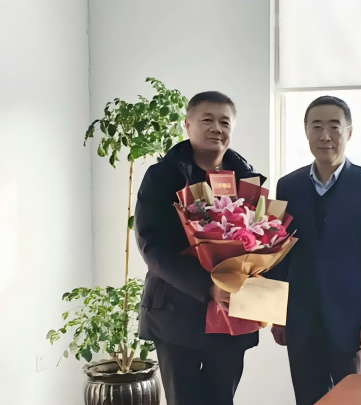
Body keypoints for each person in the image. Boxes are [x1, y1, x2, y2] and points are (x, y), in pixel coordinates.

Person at [134, 91, 265, 405]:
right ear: (188, 125)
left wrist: (261, 293)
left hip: (231, 314)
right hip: (176, 313)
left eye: (225, 122)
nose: (216, 128)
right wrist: (207, 286)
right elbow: (152, 246)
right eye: (207, 120)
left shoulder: (247, 179)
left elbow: (261, 244)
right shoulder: (163, 176)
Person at [269, 96, 361, 405]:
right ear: (306, 132)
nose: (325, 135)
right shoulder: (288, 186)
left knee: (355, 401)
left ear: (348, 133)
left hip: (354, 325)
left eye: (334, 127)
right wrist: (276, 315)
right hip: (301, 322)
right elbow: (279, 254)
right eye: (316, 126)